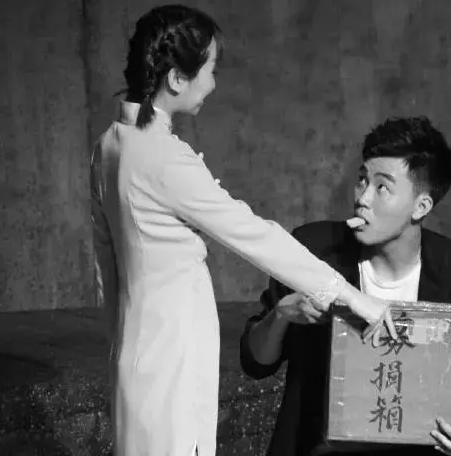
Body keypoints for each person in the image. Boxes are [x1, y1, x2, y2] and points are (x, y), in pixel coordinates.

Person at [89, 5, 395, 456]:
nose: (213, 84)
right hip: (170, 357)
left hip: (135, 353)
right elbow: (255, 235)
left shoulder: (110, 144)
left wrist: (118, 347)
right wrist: (353, 297)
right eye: (209, 70)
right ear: (176, 78)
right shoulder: (162, 157)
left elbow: (106, 268)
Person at [240, 116, 451, 456]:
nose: (363, 198)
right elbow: (255, 362)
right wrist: (282, 314)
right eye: (362, 180)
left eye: (382, 187)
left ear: (421, 206)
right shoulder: (312, 251)